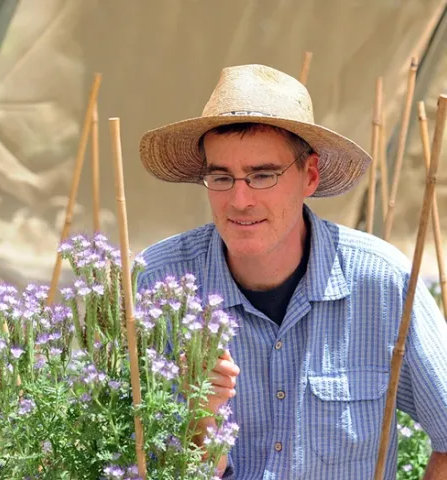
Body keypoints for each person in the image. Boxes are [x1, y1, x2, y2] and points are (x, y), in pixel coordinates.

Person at [136, 64, 447, 479]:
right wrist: (200, 421)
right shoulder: (158, 288)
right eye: (221, 177)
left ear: (310, 176)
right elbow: (125, 457)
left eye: (263, 175)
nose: (240, 200)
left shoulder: (383, 282)